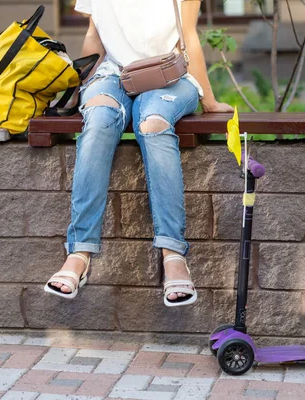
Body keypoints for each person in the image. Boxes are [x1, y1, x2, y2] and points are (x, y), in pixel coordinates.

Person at [44, 0, 233, 307]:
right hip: (112, 75)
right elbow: (95, 34)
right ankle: (79, 251)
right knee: (99, 122)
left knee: (153, 125)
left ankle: (173, 254)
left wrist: (208, 101)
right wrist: (80, 86)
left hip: (167, 76)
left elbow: (188, 34)